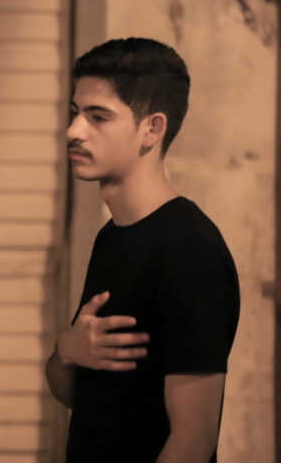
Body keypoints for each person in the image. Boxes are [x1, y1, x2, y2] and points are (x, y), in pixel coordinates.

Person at [45, 38, 240, 462]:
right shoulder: (113, 236)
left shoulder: (189, 250)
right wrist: (67, 351)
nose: (74, 131)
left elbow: (193, 440)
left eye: (98, 117)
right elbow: (84, 398)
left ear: (152, 129)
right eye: (75, 112)